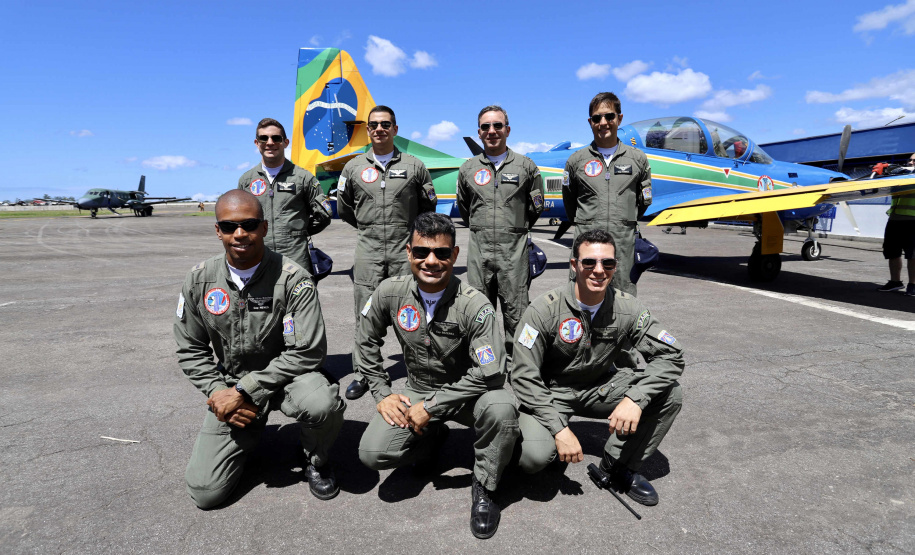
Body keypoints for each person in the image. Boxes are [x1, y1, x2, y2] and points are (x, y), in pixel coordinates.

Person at [174, 189, 345, 508]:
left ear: (264, 228)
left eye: (249, 224)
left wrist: (245, 390)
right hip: (231, 382)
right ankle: (247, 434)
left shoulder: (293, 278)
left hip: (289, 379)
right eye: (229, 226)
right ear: (218, 231)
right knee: (205, 493)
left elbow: (308, 351)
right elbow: (190, 348)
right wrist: (218, 392)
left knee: (322, 403)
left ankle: (316, 459)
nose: (240, 233)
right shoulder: (199, 280)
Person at [355, 212, 519, 539]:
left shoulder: (475, 305)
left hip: (468, 394)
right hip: (418, 389)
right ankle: (432, 437)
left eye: (442, 253)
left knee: (503, 414)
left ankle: (485, 488)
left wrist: (431, 407)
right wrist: (381, 393)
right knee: (373, 453)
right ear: (408, 252)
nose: (431, 261)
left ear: (454, 255)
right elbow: (365, 340)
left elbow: (491, 372)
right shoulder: (390, 292)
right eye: (421, 252)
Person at [511, 229, 683, 507]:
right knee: (532, 460)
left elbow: (672, 355)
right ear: (574, 265)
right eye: (589, 262)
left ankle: (618, 465)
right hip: (552, 394)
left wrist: (635, 399)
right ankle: (553, 441)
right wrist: (559, 430)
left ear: (615, 266)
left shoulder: (628, 308)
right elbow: (522, 375)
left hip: (601, 388)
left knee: (670, 394)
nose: (599, 270)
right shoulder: (544, 310)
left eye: (608, 263)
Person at [337, 105, 438, 400]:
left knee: (411, 310)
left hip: (404, 249)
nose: (379, 129)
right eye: (374, 125)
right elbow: (345, 208)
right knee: (365, 313)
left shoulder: (415, 166)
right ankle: (365, 373)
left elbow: (427, 207)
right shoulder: (353, 168)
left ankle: (420, 371)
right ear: (368, 130)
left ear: (395, 129)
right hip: (367, 249)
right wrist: (369, 228)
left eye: (385, 124)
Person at [456, 105, 545, 356]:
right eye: (485, 126)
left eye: (497, 125)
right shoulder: (468, 169)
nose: (492, 131)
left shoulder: (526, 167)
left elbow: (535, 207)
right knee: (478, 310)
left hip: (513, 252)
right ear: (479, 132)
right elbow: (464, 209)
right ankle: (484, 361)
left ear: (507, 129)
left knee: (518, 311)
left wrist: (513, 229)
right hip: (479, 251)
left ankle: (520, 362)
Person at [562, 92, 653, 297]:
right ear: (590, 122)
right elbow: (569, 203)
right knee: (582, 300)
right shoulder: (576, 161)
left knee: (623, 302)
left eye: (609, 116)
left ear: (619, 118)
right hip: (586, 247)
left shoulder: (637, 159)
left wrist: (622, 223)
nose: (603, 122)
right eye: (597, 118)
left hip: (623, 247)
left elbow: (643, 202)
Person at [238, 118, 332, 276]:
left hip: (295, 257)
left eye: (276, 138)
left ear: (285, 142)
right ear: (256, 143)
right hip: (258, 257)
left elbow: (323, 214)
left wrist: (298, 232)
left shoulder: (303, 178)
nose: (270, 143)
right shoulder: (246, 181)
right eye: (264, 138)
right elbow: (239, 219)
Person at [877, 152, 915, 296]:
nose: (911, 163)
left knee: (912, 255)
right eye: (910, 160)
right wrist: (884, 171)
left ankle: (913, 284)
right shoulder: (901, 175)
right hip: (894, 219)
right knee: (892, 252)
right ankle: (895, 282)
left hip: (912, 220)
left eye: (914, 161)